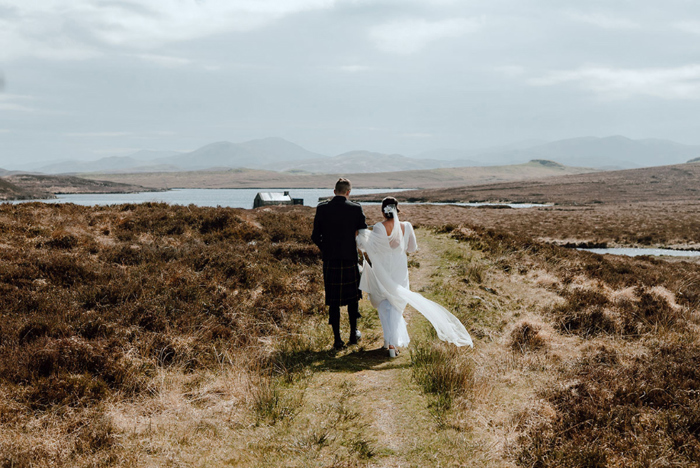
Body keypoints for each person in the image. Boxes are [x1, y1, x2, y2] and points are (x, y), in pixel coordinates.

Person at [356, 197, 472, 356]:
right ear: (397, 209)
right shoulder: (407, 226)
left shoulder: (378, 227)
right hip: (399, 269)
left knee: (384, 305)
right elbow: (412, 248)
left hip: (382, 269)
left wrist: (360, 234)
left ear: (383, 211)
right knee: (396, 305)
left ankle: (389, 342)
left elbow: (370, 247)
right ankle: (390, 344)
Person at [312, 178, 368, 350]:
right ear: (348, 192)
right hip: (349, 259)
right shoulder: (356, 208)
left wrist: (326, 248)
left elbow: (315, 236)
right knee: (353, 300)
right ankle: (353, 334)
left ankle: (337, 340)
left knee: (333, 301)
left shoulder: (322, 209)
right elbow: (362, 235)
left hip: (330, 261)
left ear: (334, 191)